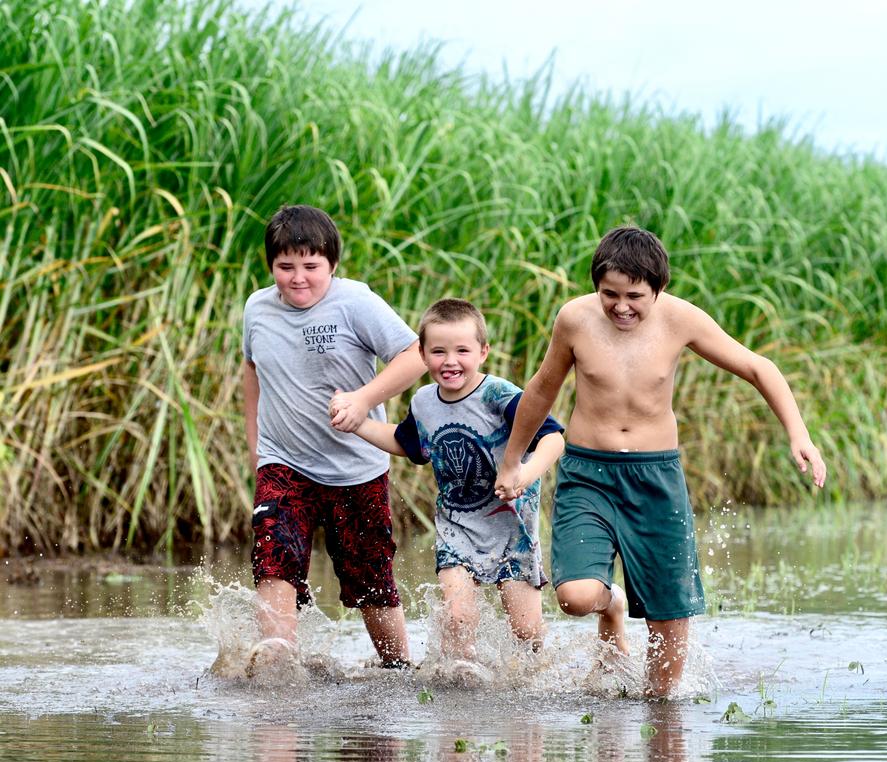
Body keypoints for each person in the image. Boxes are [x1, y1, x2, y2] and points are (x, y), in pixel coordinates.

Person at [495, 226, 827, 697]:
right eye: (610, 294)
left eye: (635, 296)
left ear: (659, 288)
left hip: (656, 478)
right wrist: (512, 461)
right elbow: (542, 390)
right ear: (596, 286)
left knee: (664, 677)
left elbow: (758, 367)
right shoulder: (575, 320)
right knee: (574, 597)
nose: (621, 306)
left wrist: (800, 435)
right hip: (588, 473)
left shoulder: (681, 319)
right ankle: (611, 605)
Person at [241, 204, 426, 672]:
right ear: (270, 267)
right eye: (285, 267)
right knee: (273, 556)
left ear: (332, 264)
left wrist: (364, 399)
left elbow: (415, 354)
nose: (298, 278)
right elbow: (251, 370)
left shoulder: (355, 302)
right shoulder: (257, 308)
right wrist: (255, 447)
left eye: (311, 266)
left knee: (369, 580)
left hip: (356, 467)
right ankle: (277, 667)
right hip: (283, 463)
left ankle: (398, 671)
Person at [332, 298, 564, 665]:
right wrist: (359, 424)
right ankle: (461, 683)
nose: (449, 361)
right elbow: (407, 444)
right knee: (458, 618)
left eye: (462, 350)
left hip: (512, 526)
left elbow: (553, 438)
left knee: (526, 634)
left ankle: (532, 685)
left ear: (483, 352)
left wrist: (524, 473)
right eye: (438, 351)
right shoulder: (424, 401)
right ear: (422, 355)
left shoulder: (499, 396)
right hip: (457, 525)